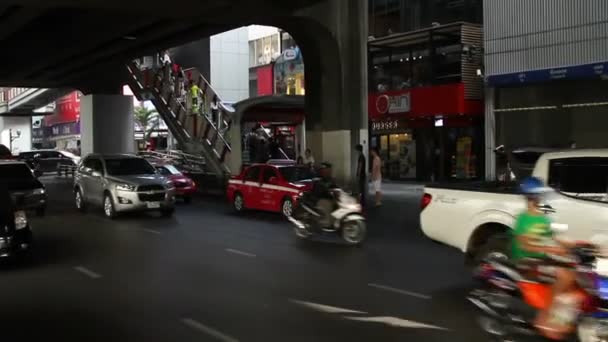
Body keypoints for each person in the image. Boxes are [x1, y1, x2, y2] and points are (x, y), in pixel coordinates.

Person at [511, 176, 581, 340]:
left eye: (540, 196)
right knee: (566, 275)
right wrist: (551, 248)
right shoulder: (522, 219)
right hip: (528, 260)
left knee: (579, 274)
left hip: (546, 256)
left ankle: (562, 319)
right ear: (529, 197)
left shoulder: (546, 210)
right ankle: (544, 318)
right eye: (535, 196)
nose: (539, 199)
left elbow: (556, 233)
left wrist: (573, 245)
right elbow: (525, 246)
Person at [310, 162, 337, 227]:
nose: (329, 171)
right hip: (318, 198)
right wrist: (327, 189)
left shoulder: (329, 178)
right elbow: (320, 188)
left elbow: (335, 186)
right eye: (327, 169)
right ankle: (327, 222)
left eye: (330, 169)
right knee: (328, 204)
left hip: (327, 196)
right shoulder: (319, 178)